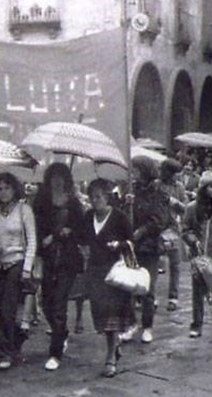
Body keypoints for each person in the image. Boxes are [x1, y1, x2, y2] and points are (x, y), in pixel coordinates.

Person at [32, 162, 86, 371]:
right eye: (53, 177)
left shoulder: (73, 203)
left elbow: (81, 229)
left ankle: (55, 352)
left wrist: (68, 231)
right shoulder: (41, 200)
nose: (57, 181)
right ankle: (61, 332)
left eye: (60, 177)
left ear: (66, 179)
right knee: (46, 302)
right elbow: (35, 226)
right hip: (47, 258)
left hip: (67, 259)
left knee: (59, 304)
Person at [80, 179, 134, 378]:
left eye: (99, 196)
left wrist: (118, 244)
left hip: (114, 271)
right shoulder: (88, 217)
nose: (95, 200)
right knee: (100, 315)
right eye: (92, 197)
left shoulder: (119, 217)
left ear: (107, 197)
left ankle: (110, 357)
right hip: (95, 271)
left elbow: (130, 241)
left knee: (111, 315)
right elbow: (82, 239)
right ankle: (115, 344)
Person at [0, 171, 37, 370]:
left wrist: (27, 268)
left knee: (8, 309)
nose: (3, 192)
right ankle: (17, 340)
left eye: (7, 188)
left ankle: (6, 351)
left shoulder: (24, 210)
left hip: (17, 262)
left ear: (14, 189)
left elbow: (31, 240)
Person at [120, 156, 169, 344]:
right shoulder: (131, 190)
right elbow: (122, 217)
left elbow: (160, 221)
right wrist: (126, 204)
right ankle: (131, 323)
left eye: (137, 170)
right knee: (128, 287)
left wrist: (141, 231)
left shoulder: (158, 192)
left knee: (147, 289)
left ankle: (147, 326)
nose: (134, 173)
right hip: (131, 247)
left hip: (149, 247)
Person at [182, 171, 212, 338]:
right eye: (210, 186)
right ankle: (196, 325)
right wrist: (193, 240)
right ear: (203, 188)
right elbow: (185, 230)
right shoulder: (191, 208)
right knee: (198, 290)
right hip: (198, 255)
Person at [158, 158, 188, 312]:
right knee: (153, 262)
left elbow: (186, 209)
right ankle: (149, 296)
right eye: (175, 173)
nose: (177, 176)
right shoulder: (156, 185)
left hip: (174, 230)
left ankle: (173, 297)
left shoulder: (179, 187)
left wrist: (173, 202)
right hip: (157, 229)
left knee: (175, 265)